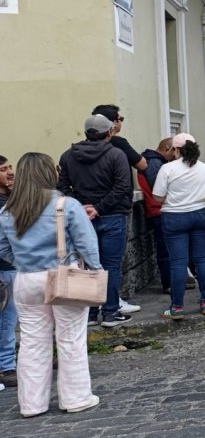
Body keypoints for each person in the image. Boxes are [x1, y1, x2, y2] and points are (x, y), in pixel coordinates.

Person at [0, 152, 101, 415]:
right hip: (63, 275)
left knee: (33, 342)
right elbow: (86, 244)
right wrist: (96, 269)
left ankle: (32, 404)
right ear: (49, 173)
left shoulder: (7, 211)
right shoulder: (66, 205)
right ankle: (75, 398)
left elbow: (3, 249)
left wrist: (23, 261)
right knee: (70, 338)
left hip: (26, 279)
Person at [57, 113, 133, 328]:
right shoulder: (117, 155)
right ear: (109, 132)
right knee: (110, 266)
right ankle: (109, 312)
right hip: (112, 216)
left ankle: (89, 314)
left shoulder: (68, 156)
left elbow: (62, 188)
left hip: (81, 219)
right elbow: (122, 187)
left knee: (87, 265)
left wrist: (80, 208)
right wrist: (98, 208)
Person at [153, 133, 205, 320]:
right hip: (201, 215)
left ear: (176, 149)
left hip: (174, 217)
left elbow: (157, 197)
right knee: (202, 259)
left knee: (178, 262)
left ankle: (177, 307)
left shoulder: (167, 169)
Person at [139, 138, 176, 296]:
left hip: (156, 210)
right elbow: (159, 189)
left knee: (166, 249)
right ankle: (168, 283)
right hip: (158, 210)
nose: (175, 156)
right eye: (174, 151)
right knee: (166, 250)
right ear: (167, 149)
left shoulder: (152, 161)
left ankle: (170, 282)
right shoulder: (155, 163)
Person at [91, 104, 147, 172]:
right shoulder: (118, 142)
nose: (121, 122)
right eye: (121, 119)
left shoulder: (88, 142)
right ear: (114, 123)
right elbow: (142, 165)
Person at [0, 155, 15, 388]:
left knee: (13, 318)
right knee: (7, 318)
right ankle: (6, 365)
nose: (10, 172)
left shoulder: (9, 197)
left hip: (14, 266)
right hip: (4, 268)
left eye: (10, 167)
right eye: (3, 169)